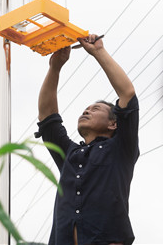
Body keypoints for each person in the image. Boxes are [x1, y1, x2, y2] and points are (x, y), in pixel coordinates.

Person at [35, 34, 139, 245]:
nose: (87, 110)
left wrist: (98, 52)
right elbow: (47, 117)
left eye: (96, 108)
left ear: (113, 124)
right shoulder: (70, 155)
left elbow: (127, 93)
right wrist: (55, 67)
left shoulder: (121, 148)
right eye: (86, 108)